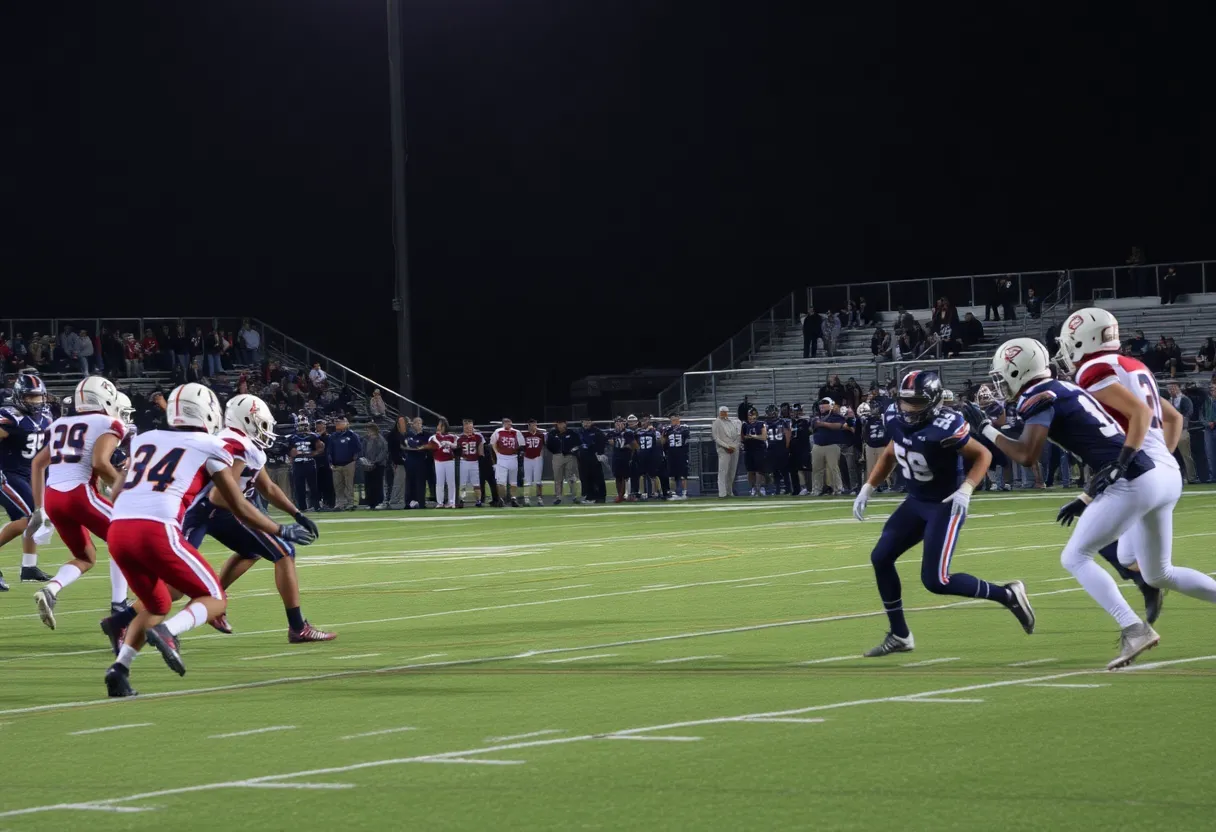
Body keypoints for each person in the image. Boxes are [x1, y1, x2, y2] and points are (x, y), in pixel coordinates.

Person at [969, 337, 1189, 669]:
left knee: (1075, 556)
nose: (1001, 383)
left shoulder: (1038, 396)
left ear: (1019, 370)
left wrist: (985, 428)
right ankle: (1142, 593)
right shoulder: (1061, 386)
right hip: (1137, 473)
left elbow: (1027, 455)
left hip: (1128, 480)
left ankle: (1134, 628)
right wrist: (1087, 495)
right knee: (1123, 555)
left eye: (1004, 375)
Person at [100, 383, 317, 697]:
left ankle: (119, 670)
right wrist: (280, 530)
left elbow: (117, 490)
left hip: (119, 530)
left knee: (157, 601)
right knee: (215, 599)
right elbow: (238, 503)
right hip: (158, 528)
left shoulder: (145, 438)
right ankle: (169, 632)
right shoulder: (210, 445)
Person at [853, 370, 1034, 658]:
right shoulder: (894, 416)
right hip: (916, 501)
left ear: (934, 401)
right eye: (905, 401)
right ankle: (900, 634)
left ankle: (1007, 594)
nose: (908, 408)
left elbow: (983, 455)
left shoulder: (947, 424)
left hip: (945, 504)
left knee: (937, 580)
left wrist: (967, 488)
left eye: (917, 402)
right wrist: (869, 487)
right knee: (880, 557)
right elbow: (891, 451)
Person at [174, 394, 332, 641]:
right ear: (247, 419)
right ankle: (297, 627)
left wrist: (297, 513)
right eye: (261, 423)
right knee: (284, 552)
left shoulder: (239, 442)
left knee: (178, 583)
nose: (265, 430)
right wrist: (268, 523)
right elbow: (222, 496)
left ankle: (127, 617)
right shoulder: (238, 444)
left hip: (197, 510)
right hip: (220, 510)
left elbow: (267, 487)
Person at [26, 377, 130, 626]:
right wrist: (124, 489)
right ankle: (119, 605)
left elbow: (38, 464)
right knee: (124, 538)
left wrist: (39, 507)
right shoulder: (108, 422)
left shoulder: (60, 423)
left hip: (53, 497)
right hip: (80, 494)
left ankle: (51, 590)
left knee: (86, 557)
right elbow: (100, 463)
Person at [0, 371, 53, 590]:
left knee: (35, 517)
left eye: (39, 397)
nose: (36, 401)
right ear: (20, 396)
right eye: (31, 397)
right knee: (31, 516)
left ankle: (29, 567)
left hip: (30, 474)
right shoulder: (9, 416)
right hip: (7, 473)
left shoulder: (47, 416)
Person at [810, 398, 846, 496]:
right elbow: (813, 427)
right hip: (817, 445)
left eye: (825, 404)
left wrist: (822, 424)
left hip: (832, 445)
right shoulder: (816, 417)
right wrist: (825, 425)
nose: (822, 406)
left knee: (833, 468)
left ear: (831, 405)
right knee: (817, 469)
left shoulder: (836, 416)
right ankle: (816, 490)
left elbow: (838, 426)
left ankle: (838, 488)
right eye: (821, 404)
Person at [288, 414, 323, 512]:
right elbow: (289, 451)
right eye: (301, 425)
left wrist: (313, 453)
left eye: (304, 424)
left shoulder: (313, 436)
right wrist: (292, 455)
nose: (303, 427)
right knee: (299, 487)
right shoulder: (292, 437)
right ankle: (302, 507)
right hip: (298, 464)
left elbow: (320, 448)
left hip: (309, 463)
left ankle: (316, 506)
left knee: (313, 486)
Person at [327, 415, 362, 510]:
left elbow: (358, 449)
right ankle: (340, 504)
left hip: (349, 463)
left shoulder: (352, 435)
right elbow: (329, 451)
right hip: (336, 464)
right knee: (338, 485)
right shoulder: (332, 436)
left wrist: (353, 461)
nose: (339, 423)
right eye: (338, 422)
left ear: (346, 423)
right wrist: (330, 463)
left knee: (349, 485)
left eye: (342, 422)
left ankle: (350, 503)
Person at [1167, 382, 1198, 483]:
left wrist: (1176, 420)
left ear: (1179, 389)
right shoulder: (1169, 401)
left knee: (1186, 455)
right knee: (1171, 455)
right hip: (1171, 431)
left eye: (1174, 388)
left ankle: (1192, 477)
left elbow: (1188, 414)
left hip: (1182, 430)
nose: (1172, 390)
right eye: (1170, 388)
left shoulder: (1185, 400)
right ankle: (1176, 477)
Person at [858, 401, 892, 491]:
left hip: (882, 445)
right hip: (870, 445)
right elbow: (861, 427)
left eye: (875, 407)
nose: (873, 409)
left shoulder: (884, 417)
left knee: (883, 467)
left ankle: (886, 485)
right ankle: (872, 486)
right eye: (872, 407)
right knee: (871, 468)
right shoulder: (867, 419)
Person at [546, 418, 580, 504]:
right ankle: (558, 497)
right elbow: (548, 444)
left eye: (562, 423)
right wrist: (555, 451)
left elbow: (578, 443)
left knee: (571, 477)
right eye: (559, 423)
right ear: (556, 424)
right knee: (558, 478)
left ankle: (574, 496)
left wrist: (573, 451)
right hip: (557, 456)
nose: (561, 425)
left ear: (565, 424)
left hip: (570, 457)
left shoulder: (571, 433)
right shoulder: (552, 433)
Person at [633, 414, 666, 499]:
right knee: (641, 474)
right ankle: (642, 492)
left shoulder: (655, 431)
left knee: (653, 475)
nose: (644, 422)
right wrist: (638, 450)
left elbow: (660, 442)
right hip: (641, 455)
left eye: (645, 420)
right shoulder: (637, 431)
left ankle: (655, 491)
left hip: (652, 455)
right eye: (642, 420)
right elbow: (634, 442)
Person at [606, 416, 637, 503]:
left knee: (626, 476)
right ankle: (620, 494)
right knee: (617, 476)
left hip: (626, 456)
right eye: (617, 423)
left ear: (624, 424)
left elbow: (634, 445)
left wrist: (627, 447)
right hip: (616, 456)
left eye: (620, 423)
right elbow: (610, 442)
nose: (618, 424)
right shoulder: (612, 433)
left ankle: (625, 494)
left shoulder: (628, 433)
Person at [711, 405, 741, 498]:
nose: (724, 413)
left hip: (734, 448)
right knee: (723, 471)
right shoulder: (716, 423)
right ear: (719, 412)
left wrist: (735, 446)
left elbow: (737, 435)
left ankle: (729, 491)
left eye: (725, 412)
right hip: (723, 449)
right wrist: (727, 446)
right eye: (722, 412)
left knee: (732, 472)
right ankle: (722, 493)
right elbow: (716, 438)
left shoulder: (732, 422)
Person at [428, 419, 457, 508]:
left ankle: (451, 501)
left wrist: (450, 444)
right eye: (439, 425)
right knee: (439, 482)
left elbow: (457, 445)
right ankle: (440, 502)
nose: (440, 427)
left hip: (449, 461)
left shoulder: (452, 436)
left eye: (442, 425)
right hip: (439, 461)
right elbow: (432, 445)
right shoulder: (434, 437)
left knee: (451, 482)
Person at [577, 417, 607, 504]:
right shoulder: (579, 431)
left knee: (598, 477)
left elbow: (603, 441)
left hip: (594, 457)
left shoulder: (596, 431)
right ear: (582, 423)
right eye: (584, 422)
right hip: (583, 458)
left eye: (588, 422)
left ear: (591, 422)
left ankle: (601, 497)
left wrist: (600, 453)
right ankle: (590, 497)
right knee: (585, 478)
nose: (586, 424)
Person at [763, 404, 792, 496]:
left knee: (784, 470)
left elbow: (788, 434)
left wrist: (786, 447)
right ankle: (778, 489)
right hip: (771, 448)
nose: (771, 414)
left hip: (780, 447)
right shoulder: (765, 423)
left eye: (772, 412)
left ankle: (787, 488)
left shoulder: (783, 421)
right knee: (775, 470)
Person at [661, 414, 692, 499]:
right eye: (672, 420)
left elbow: (687, 437)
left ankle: (684, 493)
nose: (674, 421)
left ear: (679, 420)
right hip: (671, 453)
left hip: (681, 453)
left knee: (683, 474)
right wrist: (664, 434)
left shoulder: (684, 428)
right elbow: (662, 442)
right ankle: (674, 493)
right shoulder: (668, 429)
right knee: (671, 474)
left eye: (675, 419)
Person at [456, 420, 485, 507]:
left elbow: (481, 451)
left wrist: (481, 458)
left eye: (470, 427)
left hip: (474, 462)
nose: (469, 429)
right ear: (464, 427)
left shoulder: (478, 436)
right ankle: (461, 499)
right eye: (467, 427)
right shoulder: (459, 438)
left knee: (476, 483)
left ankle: (479, 500)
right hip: (463, 461)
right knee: (462, 483)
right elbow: (457, 450)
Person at [740, 407, 766, 496]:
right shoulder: (744, 425)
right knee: (750, 471)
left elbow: (764, 437)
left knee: (759, 470)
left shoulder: (761, 424)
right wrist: (745, 438)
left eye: (753, 415)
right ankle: (753, 488)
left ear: (756, 415)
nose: (751, 417)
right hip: (748, 449)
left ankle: (760, 487)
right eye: (749, 415)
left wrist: (754, 436)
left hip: (759, 449)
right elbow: (742, 437)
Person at [361, 423, 388, 508]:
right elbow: (364, 451)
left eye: (368, 430)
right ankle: (370, 502)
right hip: (367, 465)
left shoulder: (381, 439)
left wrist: (375, 461)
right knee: (368, 484)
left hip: (378, 465)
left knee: (377, 484)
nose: (367, 432)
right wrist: (366, 461)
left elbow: (383, 452)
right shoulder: (366, 439)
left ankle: (378, 502)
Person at [788, 403, 812, 495]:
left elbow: (810, 431)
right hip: (793, 449)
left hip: (803, 448)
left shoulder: (806, 420)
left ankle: (808, 488)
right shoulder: (791, 422)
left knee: (805, 469)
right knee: (793, 470)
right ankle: (796, 489)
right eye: (793, 411)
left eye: (796, 411)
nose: (794, 413)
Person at [386, 416, 409, 509]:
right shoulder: (393, 435)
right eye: (401, 422)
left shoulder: (404, 434)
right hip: (396, 462)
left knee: (402, 482)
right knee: (398, 482)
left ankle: (400, 500)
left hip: (403, 462)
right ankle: (394, 500)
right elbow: (393, 450)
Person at [313, 419, 336, 510]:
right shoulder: (313, 437)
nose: (319, 428)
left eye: (321, 425)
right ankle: (318, 504)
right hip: (315, 464)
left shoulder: (329, 437)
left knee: (328, 485)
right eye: (317, 426)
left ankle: (330, 504)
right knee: (317, 486)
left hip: (326, 464)